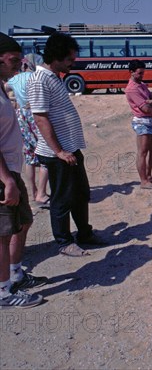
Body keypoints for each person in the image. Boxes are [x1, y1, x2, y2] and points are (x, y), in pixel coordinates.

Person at [28, 32, 102, 257]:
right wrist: (58, 151)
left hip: (69, 149)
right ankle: (64, 242)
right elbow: (40, 117)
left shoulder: (54, 77)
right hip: (57, 153)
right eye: (70, 59)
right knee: (62, 198)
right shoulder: (39, 79)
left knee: (80, 194)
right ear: (56, 57)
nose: (73, 63)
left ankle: (85, 234)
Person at [0, 32, 46, 308]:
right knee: (3, 235)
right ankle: (4, 292)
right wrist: (7, 179)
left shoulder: (2, 87)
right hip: (4, 176)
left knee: (24, 221)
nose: (19, 65)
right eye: (14, 60)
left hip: (12, 171)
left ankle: (16, 274)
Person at [5, 53, 50, 206]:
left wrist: (13, 100)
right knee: (46, 153)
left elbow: (5, 88)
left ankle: (33, 192)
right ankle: (42, 194)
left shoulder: (14, 79)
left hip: (21, 115)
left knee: (29, 156)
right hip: (35, 114)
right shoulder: (35, 77)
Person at [125, 59, 152, 190]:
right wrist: (151, 102)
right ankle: (143, 181)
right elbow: (146, 108)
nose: (141, 75)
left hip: (148, 121)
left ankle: (148, 176)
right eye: (139, 73)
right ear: (132, 72)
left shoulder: (142, 85)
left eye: (143, 73)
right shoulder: (132, 89)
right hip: (141, 121)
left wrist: (150, 102)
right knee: (143, 151)